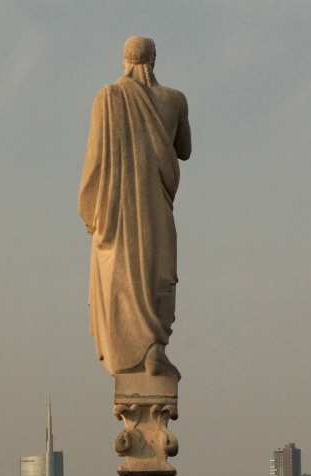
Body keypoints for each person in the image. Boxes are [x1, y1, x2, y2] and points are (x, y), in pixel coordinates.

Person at [79, 36, 191, 378]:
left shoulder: (107, 99)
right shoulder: (175, 100)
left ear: (125, 61)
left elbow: (95, 161)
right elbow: (184, 149)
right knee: (158, 274)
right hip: (157, 209)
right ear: (154, 59)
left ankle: (132, 350)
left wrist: (89, 209)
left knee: (123, 279)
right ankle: (155, 347)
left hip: (118, 214)